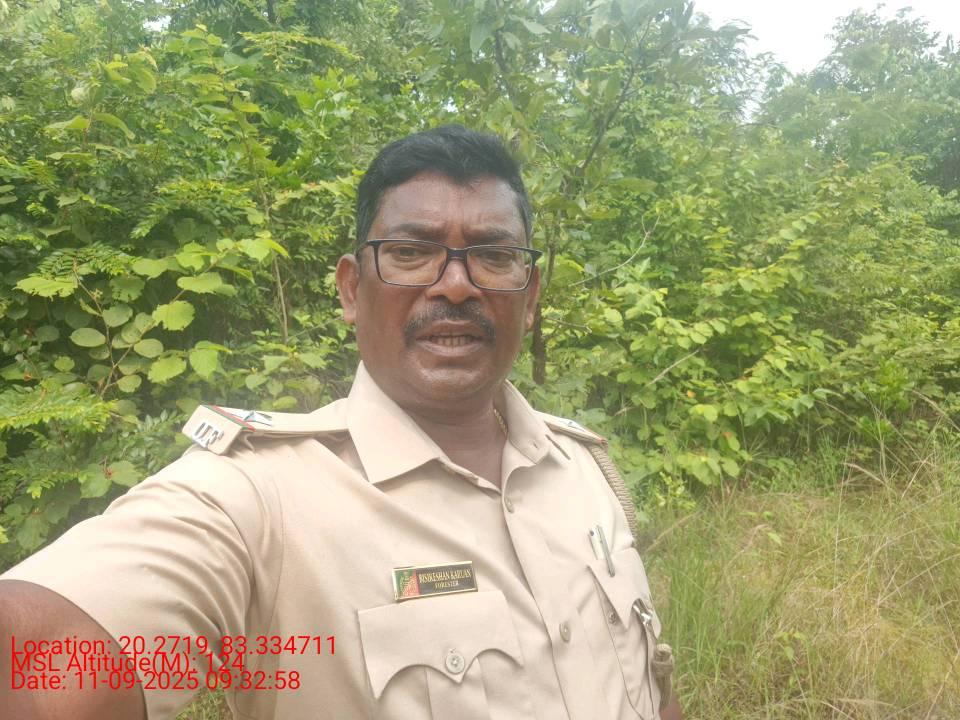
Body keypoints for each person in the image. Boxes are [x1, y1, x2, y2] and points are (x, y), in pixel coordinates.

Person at [0, 125, 682, 720]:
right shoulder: (258, 501)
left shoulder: (582, 468)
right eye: (411, 251)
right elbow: (38, 663)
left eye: (494, 256)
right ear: (353, 289)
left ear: (529, 299)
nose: (455, 284)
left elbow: (647, 683)